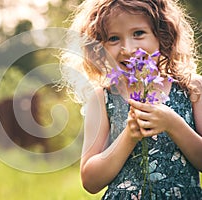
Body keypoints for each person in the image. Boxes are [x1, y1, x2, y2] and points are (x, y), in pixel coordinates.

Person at [59, 0, 202, 199]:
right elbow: (90, 181)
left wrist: (172, 123)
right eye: (113, 38)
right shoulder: (102, 97)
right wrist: (129, 135)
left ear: (162, 34)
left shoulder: (191, 87)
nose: (128, 48)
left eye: (138, 33)